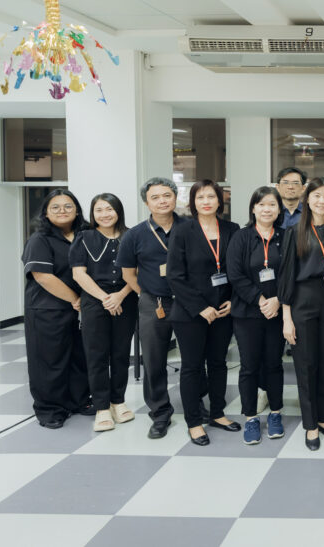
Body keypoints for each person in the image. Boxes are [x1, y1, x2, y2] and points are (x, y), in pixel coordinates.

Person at [167, 179, 241, 446]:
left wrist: (233, 299)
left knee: (219, 363)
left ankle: (218, 413)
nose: (206, 201)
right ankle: (194, 422)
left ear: (220, 200)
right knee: (192, 366)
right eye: (200, 197)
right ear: (193, 202)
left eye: (211, 196)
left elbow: (239, 269)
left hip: (223, 310)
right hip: (191, 313)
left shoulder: (232, 229)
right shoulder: (182, 231)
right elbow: (175, 275)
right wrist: (200, 307)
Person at [118, 177, 191, 439]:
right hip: (154, 303)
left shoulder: (191, 228)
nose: (162, 201)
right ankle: (160, 412)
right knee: (154, 359)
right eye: (155, 197)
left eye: (167, 195)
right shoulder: (135, 235)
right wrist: (146, 294)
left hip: (189, 302)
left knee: (194, 357)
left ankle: (195, 404)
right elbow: (128, 274)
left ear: (175, 198)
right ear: (147, 202)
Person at [279, 177, 324, 450]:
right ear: (307, 199)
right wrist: (287, 317)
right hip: (303, 301)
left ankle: (322, 417)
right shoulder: (295, 231)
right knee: (306, 364)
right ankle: (310, 425)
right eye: (317, 196)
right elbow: (286, 276)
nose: (322, 201)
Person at [22, 189, 91, 428]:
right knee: (50, 361)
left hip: (80, 309)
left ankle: (79, 401)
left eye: (68, 206)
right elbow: (43, 276)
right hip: (48, 310)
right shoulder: (39, 239)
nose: (62, 211)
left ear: (77, 211)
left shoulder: (85, 235)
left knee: (79, 356)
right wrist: (75, 299)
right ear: (46, 213)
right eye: (55, 207)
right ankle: (50, 409)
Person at [70, 193, 137, 433]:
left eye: (109, 209)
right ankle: (101, 407)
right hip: (94, 300)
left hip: (126, 299)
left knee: (121, 353)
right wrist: (105, 298)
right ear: (92, 213)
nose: (105, 214)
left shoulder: (132, 235)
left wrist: (120, 295)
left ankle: (118, 401)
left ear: (118, 211)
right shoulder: (84, 237)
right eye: (99, 210)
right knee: (96, 355)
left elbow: (140, 271)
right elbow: (79, 274)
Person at [227, 186, 286, 445]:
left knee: (274, 364)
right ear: (253, 208)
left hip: (277, 311)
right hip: (247, 313)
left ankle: (275, 413)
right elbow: (235, 274)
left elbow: (291, 272)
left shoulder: (286, 237)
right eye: (261, 204)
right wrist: (261, 299)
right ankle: (251, 417)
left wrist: (277, 300)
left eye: (272, 204)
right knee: (249, 366)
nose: (266, 209)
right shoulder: (241, 237)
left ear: (279, 209)